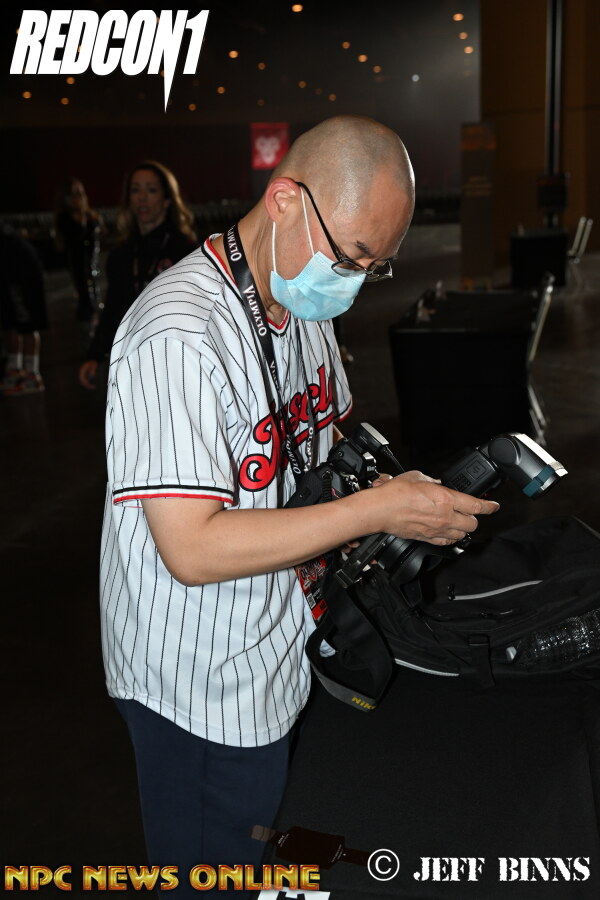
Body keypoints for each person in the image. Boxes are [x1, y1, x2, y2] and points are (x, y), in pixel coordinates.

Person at [100, 116, 499, 893]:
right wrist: (376, 514)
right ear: (285, 199)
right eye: (350, 257)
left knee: (271, 849)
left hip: (279, 645)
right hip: (199, 684)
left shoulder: (299, 300)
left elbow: (325, 437)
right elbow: (192, 549)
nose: (352, 282)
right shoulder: (177, 336)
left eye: (375, 268)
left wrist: (385, 491)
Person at [79, 160, 197, 389]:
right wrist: (95, 355)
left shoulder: (184, 249)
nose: (142, 197)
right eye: (135, 190)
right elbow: (113, 309)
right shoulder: (121, 255)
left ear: (166, 200)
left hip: (178, 361)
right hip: (134, 361)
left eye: (151, 190)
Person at [0, 222, 48, 396]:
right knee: (10, 323)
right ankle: (15, 369)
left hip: (23, 278)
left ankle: (32, 374)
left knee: (26, 325)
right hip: (12, 277)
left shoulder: (7, 238)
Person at [54, 177, 103, 328]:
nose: (77, 197)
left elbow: (99, 236)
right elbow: (72, 241)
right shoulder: (64, 219)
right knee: (84, 298)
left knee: (95, 294)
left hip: (93, 264)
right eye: (73, 194)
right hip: (76, 266)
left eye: (79, 193)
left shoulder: (91, 217)